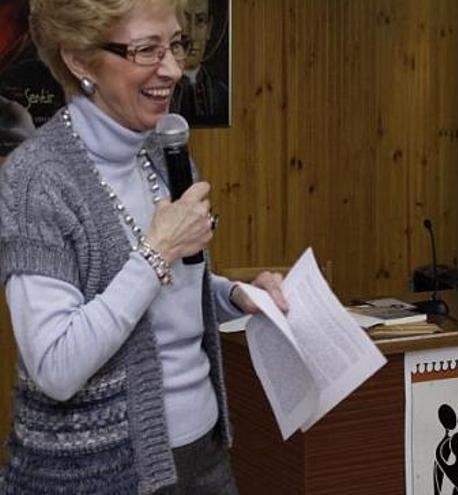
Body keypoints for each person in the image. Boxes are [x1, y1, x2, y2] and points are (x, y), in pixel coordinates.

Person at [0, 0, 287, 493]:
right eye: (147, 50)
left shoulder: (162, 152)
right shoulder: (36, 181)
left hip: (205, 456)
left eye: (175, 45)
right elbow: (55, 366)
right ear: (79, 59)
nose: (173, 69)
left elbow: (167, 297)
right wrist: (157, 252)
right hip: (97, 475)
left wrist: (233, 296)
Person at [171, 0, 228, 124]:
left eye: (200, 21)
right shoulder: (159, 91)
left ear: (209, 29)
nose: (192, 34)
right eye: (185, 19)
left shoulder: (221, 93)